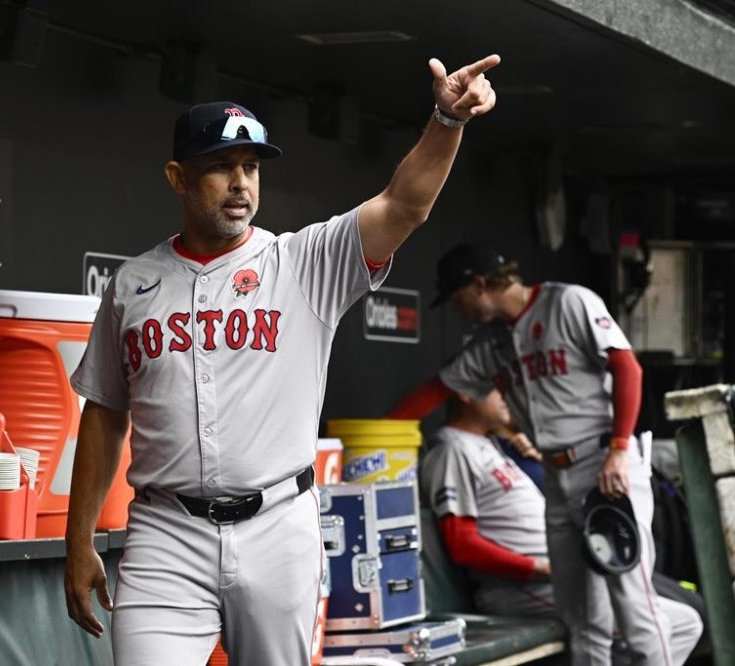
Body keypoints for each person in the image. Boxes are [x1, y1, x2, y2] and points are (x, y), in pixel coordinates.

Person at [63, 54, 501, 666]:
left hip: (277, 525)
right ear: (177, 177)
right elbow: (106, 412)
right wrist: (78, 538)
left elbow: (403, 205)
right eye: (220, 167)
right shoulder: (134, 283)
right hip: (167, 532)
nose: (241, 182)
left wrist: (445, 123)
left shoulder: (303, 262)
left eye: (250, 166)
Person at [390, 243, 678, 665]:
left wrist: (618, 449)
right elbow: (436, 391)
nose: (457, 311)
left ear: (480, 284)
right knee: (582, 621)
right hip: (559, 478)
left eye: (457, 299)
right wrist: (367, 436)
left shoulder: (567, 301)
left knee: (635, 612)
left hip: (605, 467)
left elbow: (626, 367)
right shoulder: (494, 344)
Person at [419, 388, 703, 663]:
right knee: (662, 627)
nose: (507, 395)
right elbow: (462, 545)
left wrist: (517, 434)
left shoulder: (488, 442)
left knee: (683, 620)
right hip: (523, 587)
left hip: (556, 576)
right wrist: (539, 570)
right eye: (496, 389)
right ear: (466, 393)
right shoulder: (451, 449)